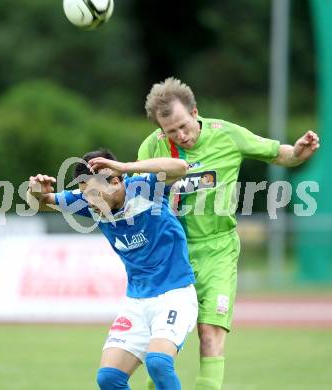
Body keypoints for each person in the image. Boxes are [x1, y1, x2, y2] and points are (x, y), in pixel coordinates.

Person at [137, 77, 320, 390]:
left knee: (210, 335)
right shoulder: (152, 147)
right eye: (171, 132)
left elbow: (279, 154)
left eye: (185, 125)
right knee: (163, 348)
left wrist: (299, 153)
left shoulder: (227, 135)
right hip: (173, 256)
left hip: (218, 251)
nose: (181, 136)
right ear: (160, 130)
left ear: (195, 112)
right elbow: (138, 200)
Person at [26, 149, 198, 390]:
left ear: (116, 181)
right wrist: (35, 192)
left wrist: (126, 167)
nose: (91, 203)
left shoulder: (144, 187)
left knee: (158, 363)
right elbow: (39, 203)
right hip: (136, 301)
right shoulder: (88, 200)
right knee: (108, 378)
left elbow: (181, 167)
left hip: (174, 294)